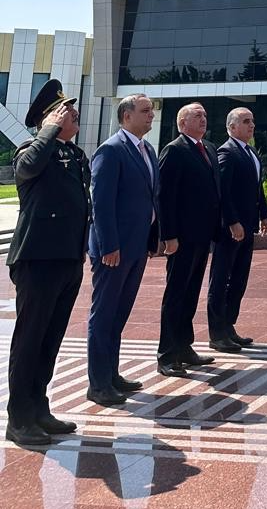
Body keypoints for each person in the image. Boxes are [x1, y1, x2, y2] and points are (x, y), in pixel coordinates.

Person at [5, 81, 90, 446]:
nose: (74, 114)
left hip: (68, 257)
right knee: (30, 339)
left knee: (51, 338)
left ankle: (39, 408)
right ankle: (19, 418)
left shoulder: (75, 155)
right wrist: (47, 132)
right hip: (37, 259)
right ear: (50, 118)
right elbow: (25, 169)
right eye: (66, 111)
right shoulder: (32, 150)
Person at [86, 93, 160, 406]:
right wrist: (109, 245)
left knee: (119, 314)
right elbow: (101, 203)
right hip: (114, 250)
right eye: (145, 111)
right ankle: (98, 384)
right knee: (104, 315)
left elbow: (151, 198)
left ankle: (111, 374)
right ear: (126, 116)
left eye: (152, 111)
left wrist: (153, 238)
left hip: (136, 247)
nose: (151, 115)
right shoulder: (111, 149)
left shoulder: (148, 150)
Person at [156, 103, 221, 376]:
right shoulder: (174, 150)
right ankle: (167, 355)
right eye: (197, 115)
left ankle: (184, 347)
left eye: (205, 114)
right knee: (176, 294)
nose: (203, 118)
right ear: (182, 123)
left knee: (191, 292)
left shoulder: (209, 149)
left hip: (202, 236)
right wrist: (168, 235)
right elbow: (165, 196)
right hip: (181, 238)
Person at [207, 107, 267, 352]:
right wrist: (232, 221)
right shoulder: (227, 152)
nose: (251, 125)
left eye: (252, 121)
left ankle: (228, 326)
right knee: (221, 279)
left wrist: (264, 214)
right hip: (230, 230)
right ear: (232, 127)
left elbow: (257, 187)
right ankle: (217, 333)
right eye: (246, 121)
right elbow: (222, 191)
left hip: (248, 226)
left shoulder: (251, 152)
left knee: (239, 279)